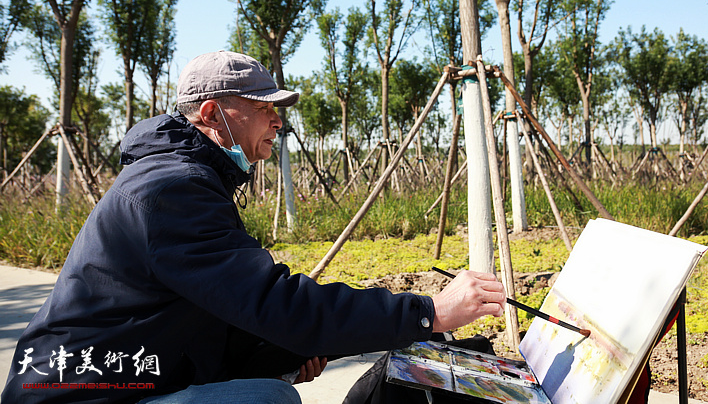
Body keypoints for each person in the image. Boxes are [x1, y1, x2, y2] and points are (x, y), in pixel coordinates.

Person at [2, 51, 506, 404]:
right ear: (211, 113)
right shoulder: (170, 190)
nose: (278, 123)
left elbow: (215, 315)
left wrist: (285, 350)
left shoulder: (184, 176)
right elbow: (274, 303)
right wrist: (429, 312)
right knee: (268, 399)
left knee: (268, 379)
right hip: (78, 394)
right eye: (264, 109)